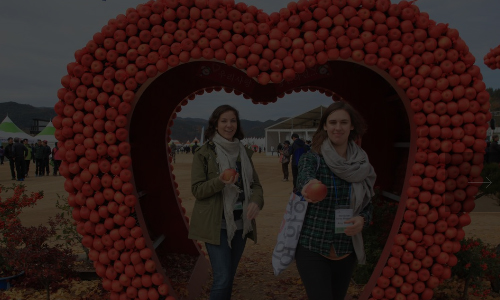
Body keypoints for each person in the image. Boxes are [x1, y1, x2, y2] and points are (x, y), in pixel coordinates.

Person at [294, 101, 376, 300]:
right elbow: (303, 179)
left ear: (352, 126)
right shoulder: (313, 159)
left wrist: (362, 220)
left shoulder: (362, 164)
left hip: (346, 248)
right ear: (325, 125)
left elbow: (368, 204)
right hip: (313, 245)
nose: (337, 127)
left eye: (343, 122)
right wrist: (309, 186)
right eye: (332, 122)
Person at [189, 104, 264, 300]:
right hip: (216, 225)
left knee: (229, 275)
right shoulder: (204, 153)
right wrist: (219, 181)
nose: (229, 125)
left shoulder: (243, 152)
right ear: (215, 124)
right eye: (224, 121)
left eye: (233, 120)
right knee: (222, 277)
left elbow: (256, 185)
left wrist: (256, 202)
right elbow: (197, 190)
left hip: (240, 224)